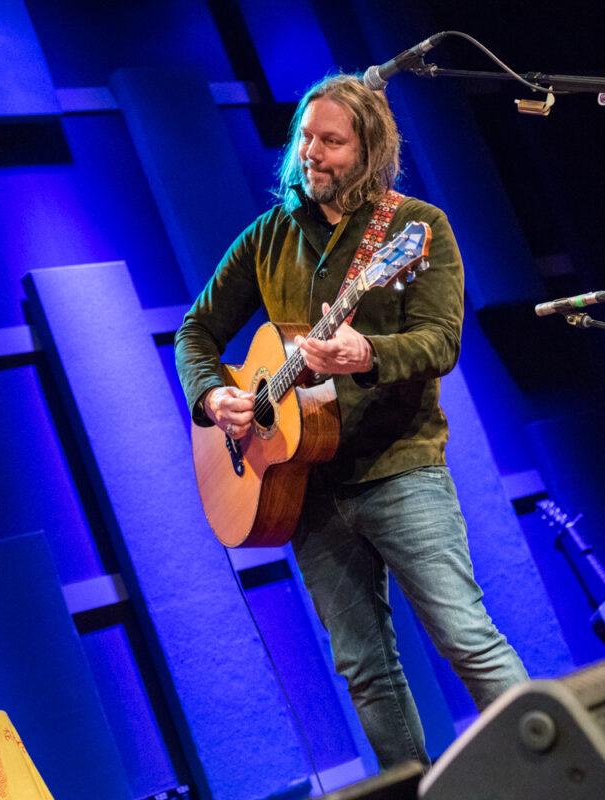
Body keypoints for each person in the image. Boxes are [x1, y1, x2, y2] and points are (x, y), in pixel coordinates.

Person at [174, 74, 527, 769]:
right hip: (304, 488)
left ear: (369, 151)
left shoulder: (414, 228)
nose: (311, 153)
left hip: (399, 469)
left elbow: (440, 342)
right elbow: (196, 331)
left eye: (331, 142)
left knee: (466, 639)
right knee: (365, 671)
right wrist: (214, 397)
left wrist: (365, 353)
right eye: (305, 137)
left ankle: (567, 771)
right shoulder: (269, 235)